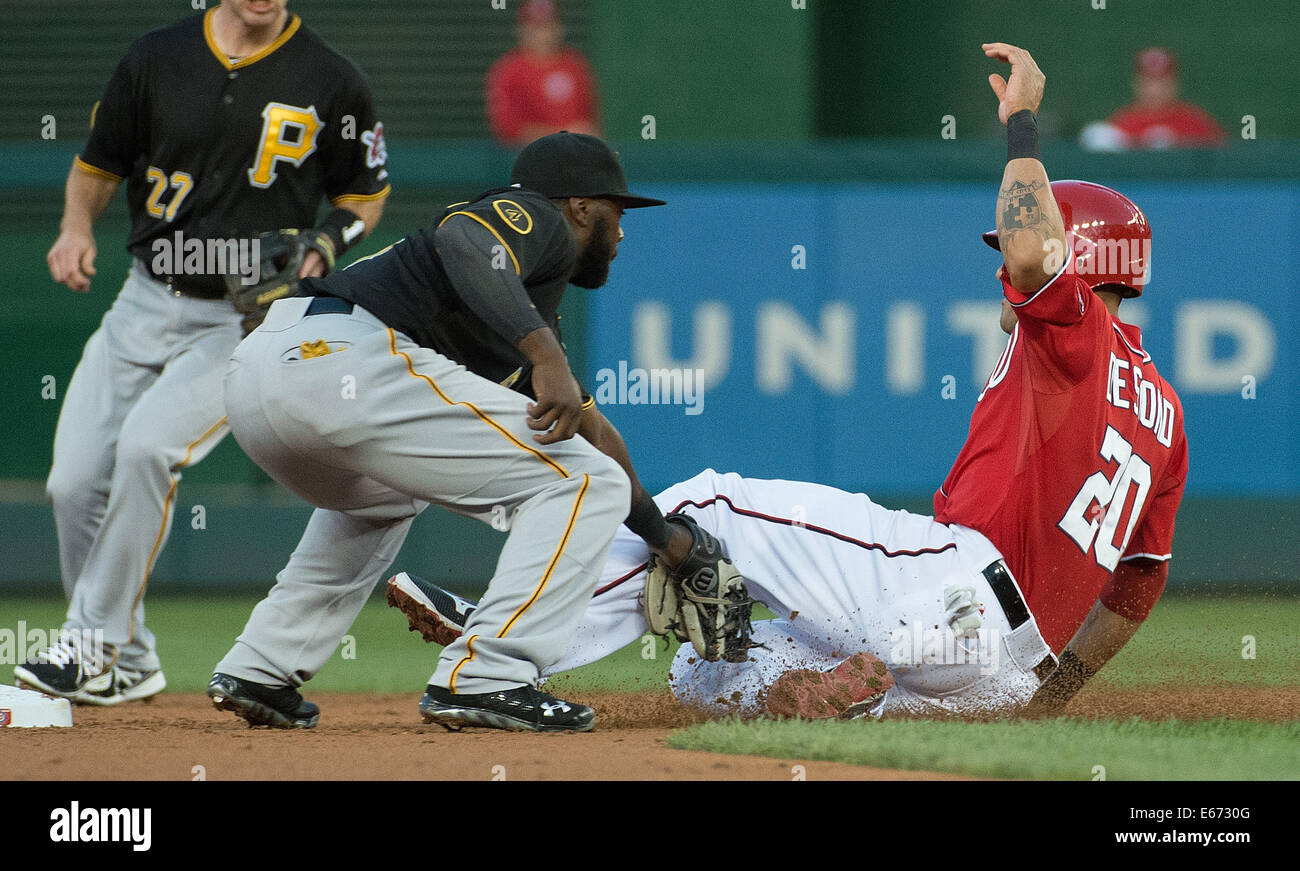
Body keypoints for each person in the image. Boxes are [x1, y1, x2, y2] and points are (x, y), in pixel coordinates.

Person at [388, 44, 1190, 721]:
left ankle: (504, 639)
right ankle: (843, 693)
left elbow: (1026, 255)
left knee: (705, 506)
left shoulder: (1075, 325)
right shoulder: (1167, 419)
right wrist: (1049, 695)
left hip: (954, 579)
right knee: (702, 662)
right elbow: (1136, 589)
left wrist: (1021, 125)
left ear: (1082, 262)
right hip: (997, 668)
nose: (998, 269)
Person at [206, 131, 739, 734]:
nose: (621, 234)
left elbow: (587, 428)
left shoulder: (517, 304)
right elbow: (465, 237)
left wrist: (665, 538)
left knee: (385, 496)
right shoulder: (538, 216)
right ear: (581, 206)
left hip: (261, 378)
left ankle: (261, 666)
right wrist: (546, 357)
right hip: (339, 359)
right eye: (615, 214)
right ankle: (490, 676)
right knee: (586, 482)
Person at [15, 0, 389, 706]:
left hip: (242, 320)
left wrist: (327, 243)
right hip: (143, 298)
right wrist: (74, 227)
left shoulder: (333, 78)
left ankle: (91, 642)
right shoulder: (156, 57)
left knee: (148, 449)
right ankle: (129, 657)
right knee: (72, 481)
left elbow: (364, 195)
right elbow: (98, 164)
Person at [486, 0, 600, 147]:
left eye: (548, 27)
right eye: (536, 28)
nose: (543, 35)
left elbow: (589, 121)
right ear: (522, 30)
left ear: (559, 28)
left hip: (574, 159)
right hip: (527, 159)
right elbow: (508, 129)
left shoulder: (575, 66)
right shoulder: (509, 71)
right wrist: (563, 135)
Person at [1079, 47, 1225, 151]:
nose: (1155, 89)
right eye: (1149, 81)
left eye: (1162, 81)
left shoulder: (1195, 122)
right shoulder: (1122, 123)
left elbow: (1222, 158)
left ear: (1175, 83)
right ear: (1136, 83)